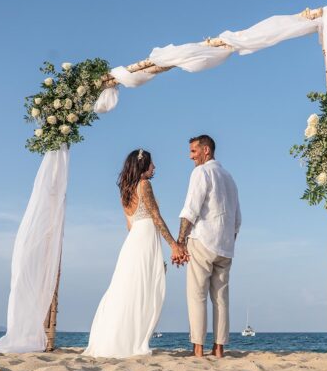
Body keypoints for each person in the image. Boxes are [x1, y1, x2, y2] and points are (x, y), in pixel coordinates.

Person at [84, 149, 185, 358]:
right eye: (152, 163)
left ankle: (120, 339)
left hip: (133, 240)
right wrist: (174, 245)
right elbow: (156, 217)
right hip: (145, 237)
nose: (154, 167)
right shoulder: (144, 184)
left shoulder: (125, 190)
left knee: (127, 288)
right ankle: (131, 341)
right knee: (141, 289)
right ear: (143, 165)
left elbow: (129, 225)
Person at [174, 135, 241, 358]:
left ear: (206, 151)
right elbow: (237, 219)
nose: (190, 156)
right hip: (225, 246)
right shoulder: (230, 178)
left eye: (193, 151)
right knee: (221, 298)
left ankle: (198, 348)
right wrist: (228, 241)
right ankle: (219, 348)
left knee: (197, 295)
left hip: (203, 240)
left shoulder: (201, 172)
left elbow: (190, 209)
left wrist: (180, 242)